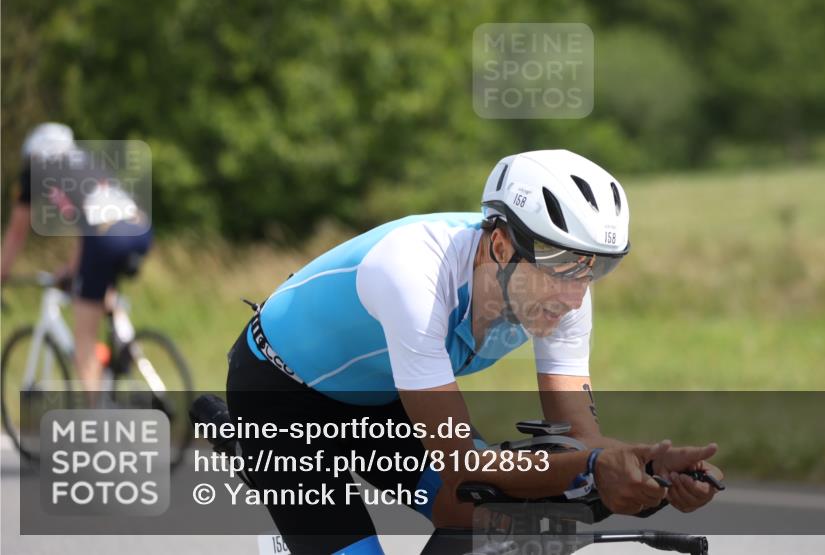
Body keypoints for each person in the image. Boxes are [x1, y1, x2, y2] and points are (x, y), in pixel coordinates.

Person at [226, 149, 723, 555]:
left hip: (380, 399)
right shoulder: (413, 272)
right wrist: (599, 465)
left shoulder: (565, 293)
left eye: (596, 269)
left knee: (489, 516)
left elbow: (577, 440)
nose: (575, 294)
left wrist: (652, 471)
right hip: (281, 402)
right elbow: (462, 465)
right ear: (502, 245)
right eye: (562, 265)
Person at [1, 123, 153, 393]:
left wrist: (3, 274)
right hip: (140, 228)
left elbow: (16, 233)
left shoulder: (38, 170)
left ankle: (98, 426)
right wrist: (72, 268)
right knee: (100, 291)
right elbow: (90, 224)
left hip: (105, 238)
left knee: (83, 342)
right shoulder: (86, 162)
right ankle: (124, 347)